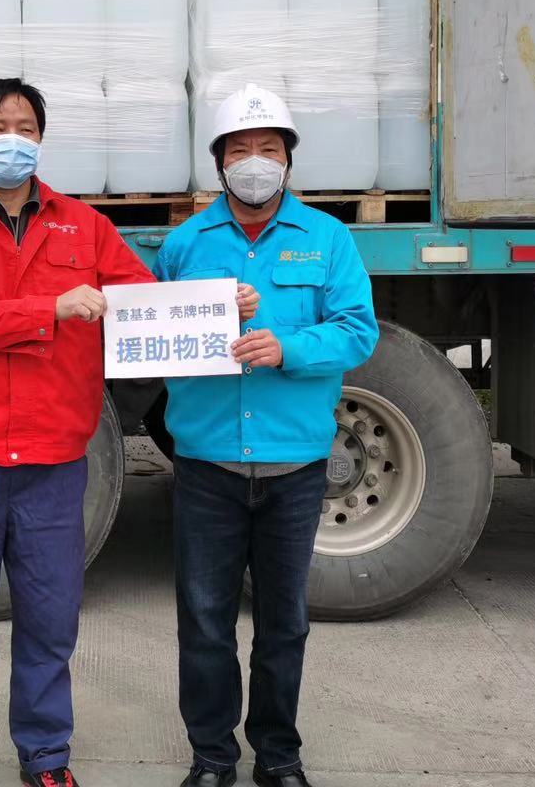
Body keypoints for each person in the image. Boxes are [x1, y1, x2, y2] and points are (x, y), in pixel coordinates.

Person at [0, 78, 157, 787]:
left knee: (50, 620)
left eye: (25, 128)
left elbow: (140, 302)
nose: (12, 139)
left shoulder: (85, 226)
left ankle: (46, 756)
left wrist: (222, 305)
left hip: (52, 460)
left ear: (41, 140)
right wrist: (49, 310)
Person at [152, 84, 379, 787]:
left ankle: (278, 756)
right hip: (207, 466)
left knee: (285, 624)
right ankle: (212, 757)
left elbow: (358, 331)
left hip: (295, 467)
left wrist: (286, 346)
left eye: (269, 149)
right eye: (241, 150)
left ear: (288, 161)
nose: (255, 162)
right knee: (205, 622)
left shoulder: (327, 239)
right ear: (220, 163)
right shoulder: (186, 245)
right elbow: (153, 333)